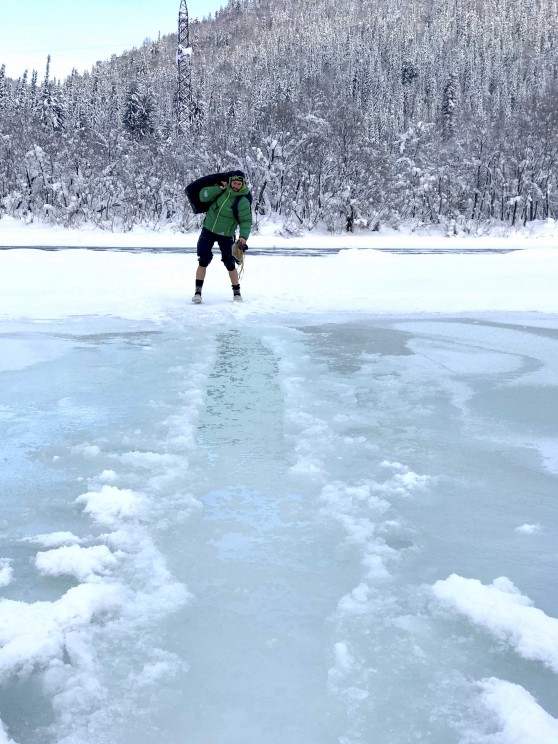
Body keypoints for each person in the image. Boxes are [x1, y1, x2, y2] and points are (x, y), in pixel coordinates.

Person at [192, 170, 252, 303]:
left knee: (230, 263)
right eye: (234, 183)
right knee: (203, 259)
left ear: (242, 184)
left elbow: (246, 220)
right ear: (231, 182)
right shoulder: (221, 190)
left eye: (239, 184)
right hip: (208, 230)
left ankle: (237, 293)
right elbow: (203, 196)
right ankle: (197, 292)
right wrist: (218, 189)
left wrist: (243, 236)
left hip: (226, 234)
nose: (236, 186)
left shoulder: (243, 201)